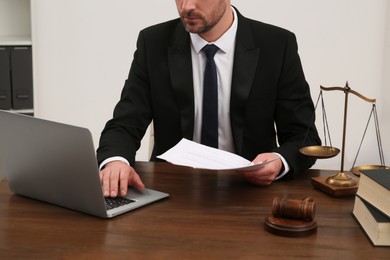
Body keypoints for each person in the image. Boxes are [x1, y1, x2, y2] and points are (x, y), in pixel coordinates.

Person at [97, 0, 321, 197]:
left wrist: (279, 161)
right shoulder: (153, 43)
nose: (186, 6)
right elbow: (125, 124)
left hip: (250, 194)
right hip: (173, 193)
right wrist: (116, 161)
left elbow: (305, 137)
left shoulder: (277, 45)